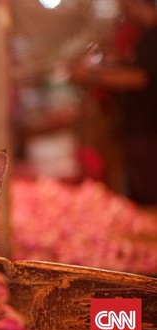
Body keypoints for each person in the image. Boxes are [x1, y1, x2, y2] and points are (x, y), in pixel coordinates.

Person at [72, 0, 157, 204]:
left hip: (149, 129)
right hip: (138, 128)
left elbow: (141, 78)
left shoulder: (154, 36)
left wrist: (93, 76)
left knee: (149, 192)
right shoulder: (144, 34)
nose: (123, 9)